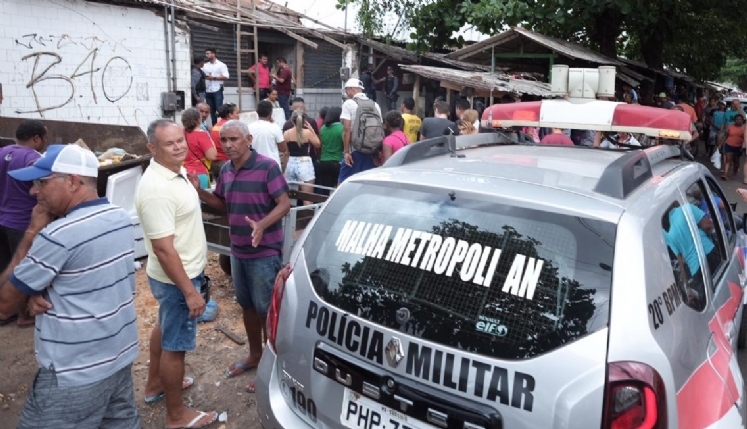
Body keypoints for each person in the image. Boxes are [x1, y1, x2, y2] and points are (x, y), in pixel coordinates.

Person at [0, 144, 140, 429]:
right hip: (119, 353)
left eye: (42, 182)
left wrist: (31, 234)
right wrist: (35, 291)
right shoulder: (120, 217)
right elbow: (86, 276)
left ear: (73, 182)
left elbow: (4, 305)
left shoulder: (57, 235)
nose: (33, 192)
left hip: (73, 371)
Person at [192, 119, 290, 394]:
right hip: (238, 250)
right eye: (224, 140)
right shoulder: (226, 171)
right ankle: (255, 356)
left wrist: (261, 224)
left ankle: (272, 370)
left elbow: (284, 204)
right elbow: (222, 204)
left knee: (266, 310)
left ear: (249, 140)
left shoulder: (267, 167)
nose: (228, 145)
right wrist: (200, 192)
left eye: (234, 139)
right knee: (247, 306)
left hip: (264, 251)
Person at [136, 119, 219, 429]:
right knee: (176, 345)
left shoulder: (176, 172)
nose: (179, 146)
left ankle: (155, 384)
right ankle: (176, 416)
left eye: (180, 140)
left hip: (173, 276)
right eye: (169, 144)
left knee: (164, 325)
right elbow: (163, 249)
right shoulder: (156, 188)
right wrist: (190, 291)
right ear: (152, 148)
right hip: (176, 278)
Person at [0, 120, 46, 327]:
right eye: (44, 138)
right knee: (26, 267)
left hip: (3, 219)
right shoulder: (32, 158)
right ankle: (25, 314)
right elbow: (42, 188)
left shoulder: (3, 152)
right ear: (36, 138)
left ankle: (5, 311)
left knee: (6, 266)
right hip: (22, 222)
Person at [339, 78, 382, 184]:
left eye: (346, 90)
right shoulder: (375, 105)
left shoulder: (348, 103)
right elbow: (379, 127)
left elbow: (347, 129)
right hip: (371, 151)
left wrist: (346, 152)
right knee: (366, 183)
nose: (346, 93)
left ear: (352, 89)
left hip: (355, 150)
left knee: (343, 182)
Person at [284, 110, 320, 201]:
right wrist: (311, 130)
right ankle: (308, 215)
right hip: (305, 163)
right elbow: (318, 144)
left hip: (291, 163)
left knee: (291, 198)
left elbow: (285, 152)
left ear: (292, 121)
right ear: (304, 121)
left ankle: (290, 215)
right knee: (307, 198)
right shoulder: (307, 133)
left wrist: (284, 168)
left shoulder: (286, 133)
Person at [182, 107, 218, 189]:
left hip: (183, 171)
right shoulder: (202, 135)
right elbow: (212, 156)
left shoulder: (180, 133)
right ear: (199, 120)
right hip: (198, 173)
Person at [249, 100, 288, 167]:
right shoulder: (275, 127)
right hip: (272, 165)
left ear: (257, 112)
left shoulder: (249, 127)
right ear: (271, 113)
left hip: (255, 165)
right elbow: (283, 148)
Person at [210, 103, 239, 178]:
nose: (239, 115)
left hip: (215, 163)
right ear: (230, 115)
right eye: (237, 113)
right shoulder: (230, 127)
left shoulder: (216, 126)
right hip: (226, 162)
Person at [318, 106, 344, 191]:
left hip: (324, 161)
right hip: (338, 161)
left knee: (326, 190)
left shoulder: (323, 128)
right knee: (338, 190)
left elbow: (320, 144)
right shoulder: (342, 128)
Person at [203, 48, 229, 125]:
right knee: (211, 110)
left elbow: (226, 76)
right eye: (206, 54)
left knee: (219, 109)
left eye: (209, 53)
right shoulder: (205, 65)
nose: (207, 55)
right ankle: (214, 126)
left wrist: (214, 78)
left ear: (214, 54)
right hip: (208, 90)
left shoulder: (221, 65)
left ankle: (222, 124)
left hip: (217, 89)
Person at [722, 114, 745, 180]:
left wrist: (743, 148)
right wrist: (721, 143)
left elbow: (745, 139)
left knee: (736, 161)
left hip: (739, 147)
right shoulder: (730, 127)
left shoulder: (744, 128)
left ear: (742, 120)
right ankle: (725, 174)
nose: (738, 121)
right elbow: (726, 135)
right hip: (729, 145)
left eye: (740, 119)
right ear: (734, 120)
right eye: (737, 119)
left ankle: (735, 172)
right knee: (728, 160)